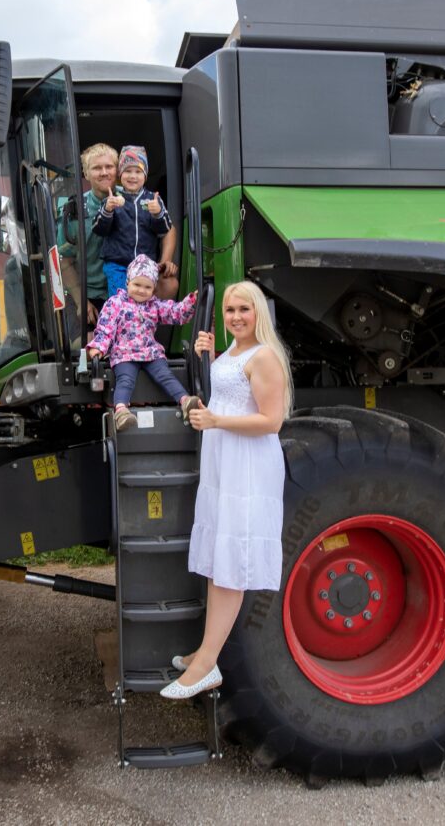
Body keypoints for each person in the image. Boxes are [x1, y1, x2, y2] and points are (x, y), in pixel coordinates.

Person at [160, 281, 292, 699]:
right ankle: (205, 653)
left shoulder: (264, 356)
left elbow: (271, 421)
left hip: (247, 466)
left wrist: (216, 421)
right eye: (230, 310)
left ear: (258, 313)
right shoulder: (234, 351)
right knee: (221, 561)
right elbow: (232, 394)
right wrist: (211, 356)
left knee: (231, 564)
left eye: (244, 309)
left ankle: (207, 664)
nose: (236, 316)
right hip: (225, 462)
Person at [86, 254, 200, 431]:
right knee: (125, 379)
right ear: (128, 283)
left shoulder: (154, 305)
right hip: (125, 354)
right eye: (137, 285)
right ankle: (121, 411)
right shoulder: (115, 303)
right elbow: (105, 327)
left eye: (147, 287)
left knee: (165, 374)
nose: (141, 290)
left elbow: (175, 312)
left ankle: (185, 401)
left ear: (154, 288)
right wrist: (98, 347)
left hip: (150, 353)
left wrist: (191, 302)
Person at [93, 145, 179, 300]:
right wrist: (108, 210)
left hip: (144, 267)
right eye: (127, 171)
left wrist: (158, 214)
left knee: (144, 303)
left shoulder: (153, 199)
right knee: (120, 303)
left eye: (138, 172)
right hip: (117, 265)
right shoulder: (111, 199)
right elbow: (99, 229)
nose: (133, 176)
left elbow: (165, 229)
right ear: (120, 174)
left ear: (145, 176)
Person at [57, 143, 116, 330]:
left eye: (109, 166)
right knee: (87, 343)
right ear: (86, 174)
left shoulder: (132, 201)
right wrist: (81, 301)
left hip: (129, 291)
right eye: (97, 168)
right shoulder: (74, 211)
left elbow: (167, 228)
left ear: (117, 170)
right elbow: (64, 261)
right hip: (90, 294)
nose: (104, 172)